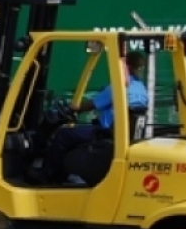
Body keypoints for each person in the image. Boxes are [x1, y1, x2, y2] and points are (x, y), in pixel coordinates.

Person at [28, 50, 149, 184]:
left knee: (63, 135)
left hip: (104, 133)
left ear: (127, 67)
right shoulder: (141, 89)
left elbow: (92, 104)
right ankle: (64, 173)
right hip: (120, 135)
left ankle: (49, 175)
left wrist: (75, 108)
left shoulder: (120, 87)